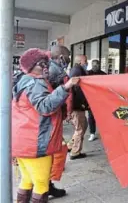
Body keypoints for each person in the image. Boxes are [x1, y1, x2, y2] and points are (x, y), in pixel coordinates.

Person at [12, 48, 79, 203]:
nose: (46, 67)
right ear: (32, 66)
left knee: (27, 180)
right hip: (36, 142)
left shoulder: (24, 79)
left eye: (45, 63)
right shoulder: (36, 82)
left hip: (23, 141)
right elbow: (44, 106)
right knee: (41, 184)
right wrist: (65, 87)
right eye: (42, 64)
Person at [46, 45, 72, 198]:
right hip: (48, 121)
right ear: (61, 57)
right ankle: (44, 187)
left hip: (51, 119)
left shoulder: (50, 69)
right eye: (67, 58)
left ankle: (47, 185)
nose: (67, 61)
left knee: (54, 151)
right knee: (51, 152)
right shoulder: (53, 71)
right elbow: (49, 100)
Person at [67, 55, 89, 160]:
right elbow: (78, 90)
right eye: (85, 60)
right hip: (77, 106)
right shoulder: (77, 71)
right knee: (80, 128)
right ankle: (75, 152)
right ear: (80, 61)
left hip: (76, 105)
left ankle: (71, 145)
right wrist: (82, 103)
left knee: (82, 126)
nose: (87, 62)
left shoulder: (76, 70)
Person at [87, 59, 107, 141]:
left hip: (101, 99)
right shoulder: (88, 73)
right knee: (91, 117)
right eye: (94, 65)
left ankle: (104, 132)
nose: (95, 66)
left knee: (102, 117)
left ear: (99, 65)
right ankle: (92, 133)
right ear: (92, 65)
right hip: (91, 98)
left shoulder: (104, 74)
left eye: (97, 65)